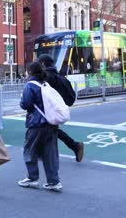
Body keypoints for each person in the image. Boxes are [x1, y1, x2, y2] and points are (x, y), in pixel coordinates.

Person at [18, 61, 62, 192]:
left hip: (36, 123)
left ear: (30, 71)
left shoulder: (30, 85)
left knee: (29, 150)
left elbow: (25, 104)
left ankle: (32, 178)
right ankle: (54, 181)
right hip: (51, 122)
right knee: (50, 152)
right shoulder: (45, 83)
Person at [38, 54, 84, 162]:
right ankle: (74, 146)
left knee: (46, 130)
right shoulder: (58, 76)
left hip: (48, 109)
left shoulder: (46, 77)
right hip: (58, 109)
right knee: (52, 130)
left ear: (43, 64)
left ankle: (73, 146)